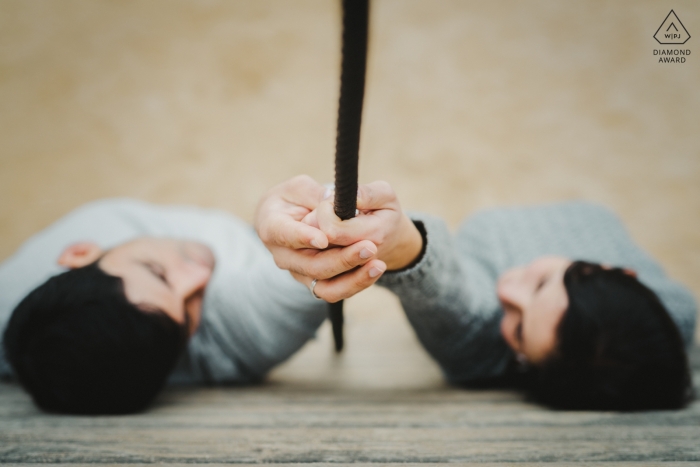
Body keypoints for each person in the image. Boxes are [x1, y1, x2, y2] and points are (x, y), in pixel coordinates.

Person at [256, 175, 697, 411]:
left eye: (520, 330)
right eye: (542, 283)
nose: (508, 289)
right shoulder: (674, 318)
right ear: (618, 270)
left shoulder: (481, 352)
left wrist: (404, 249)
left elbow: (457, 309)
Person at [1, 196, 385, 414]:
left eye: (156, 272)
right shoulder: (239, 340)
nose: (199, 277)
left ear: (81, 252)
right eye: (188, 312)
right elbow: (327, 247)